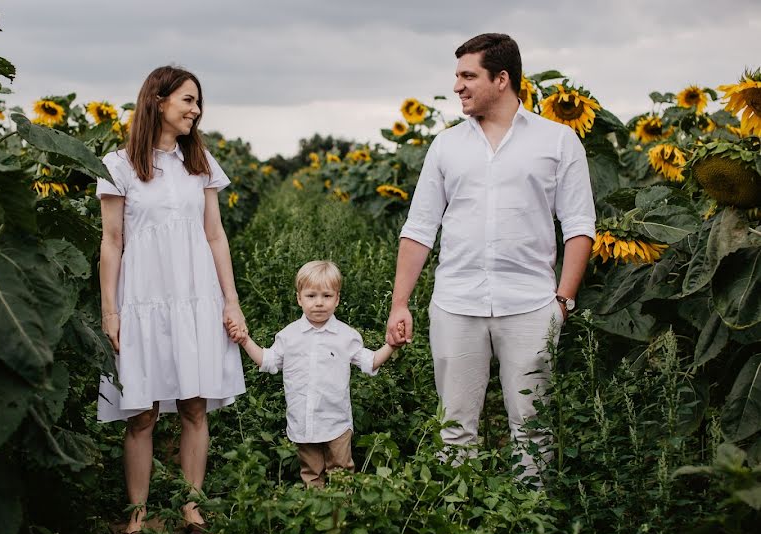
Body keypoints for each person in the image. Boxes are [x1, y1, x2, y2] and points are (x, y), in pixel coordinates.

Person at [386, 33, 596, 485]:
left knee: (532, 427)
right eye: (457, 76)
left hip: (531, 305)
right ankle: (459, 523)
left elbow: (579, 227)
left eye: (468, 76)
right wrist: (399, 302)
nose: (458, 86)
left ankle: (530, 523)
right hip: (456, 304)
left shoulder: (558, 142)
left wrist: (562, 301)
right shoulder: (446, 146)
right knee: (455, 426)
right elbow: (419, 229)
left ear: (502, 79)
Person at [96, 65, 247, 534]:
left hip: (195, 296)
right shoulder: (118, 165)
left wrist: (231, 301)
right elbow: (112, 241)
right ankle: (137, 518)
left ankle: (191, 510)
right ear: (158, 101)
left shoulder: (198, 164)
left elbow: (215, 236)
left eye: (198, 102)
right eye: (188, 100)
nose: (196, 110)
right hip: (142, 299)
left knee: (194, 406)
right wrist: (109, 311)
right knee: (141, 412)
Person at [232, 261, 398, 487]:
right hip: (303, 422)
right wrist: (244, 341)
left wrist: (392, 346)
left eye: (327, 296)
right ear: (299, 298)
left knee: (341, 475)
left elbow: (369, 362)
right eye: (311, 296)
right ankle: (316, 516)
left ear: (337, 299)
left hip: (336, 422)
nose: (319, 303)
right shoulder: (289, 336)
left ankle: (340, 518)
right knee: (311, 474)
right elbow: (267, 361)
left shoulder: (345, 336)